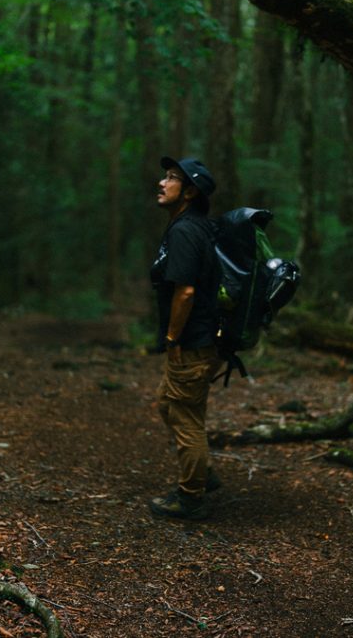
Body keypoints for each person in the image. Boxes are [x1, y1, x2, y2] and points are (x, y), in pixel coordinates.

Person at [148, 155, 223, 520]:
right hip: (199, 341)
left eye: (172, 178)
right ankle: (202, 472)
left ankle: (191, 496)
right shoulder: (191, 227)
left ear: (190, 191)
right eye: (164, 176)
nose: (162, 183)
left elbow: (187, 292)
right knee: (169, 403)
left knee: (184, 414)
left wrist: (173, 339)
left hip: (191, 343)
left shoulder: (184, 231)